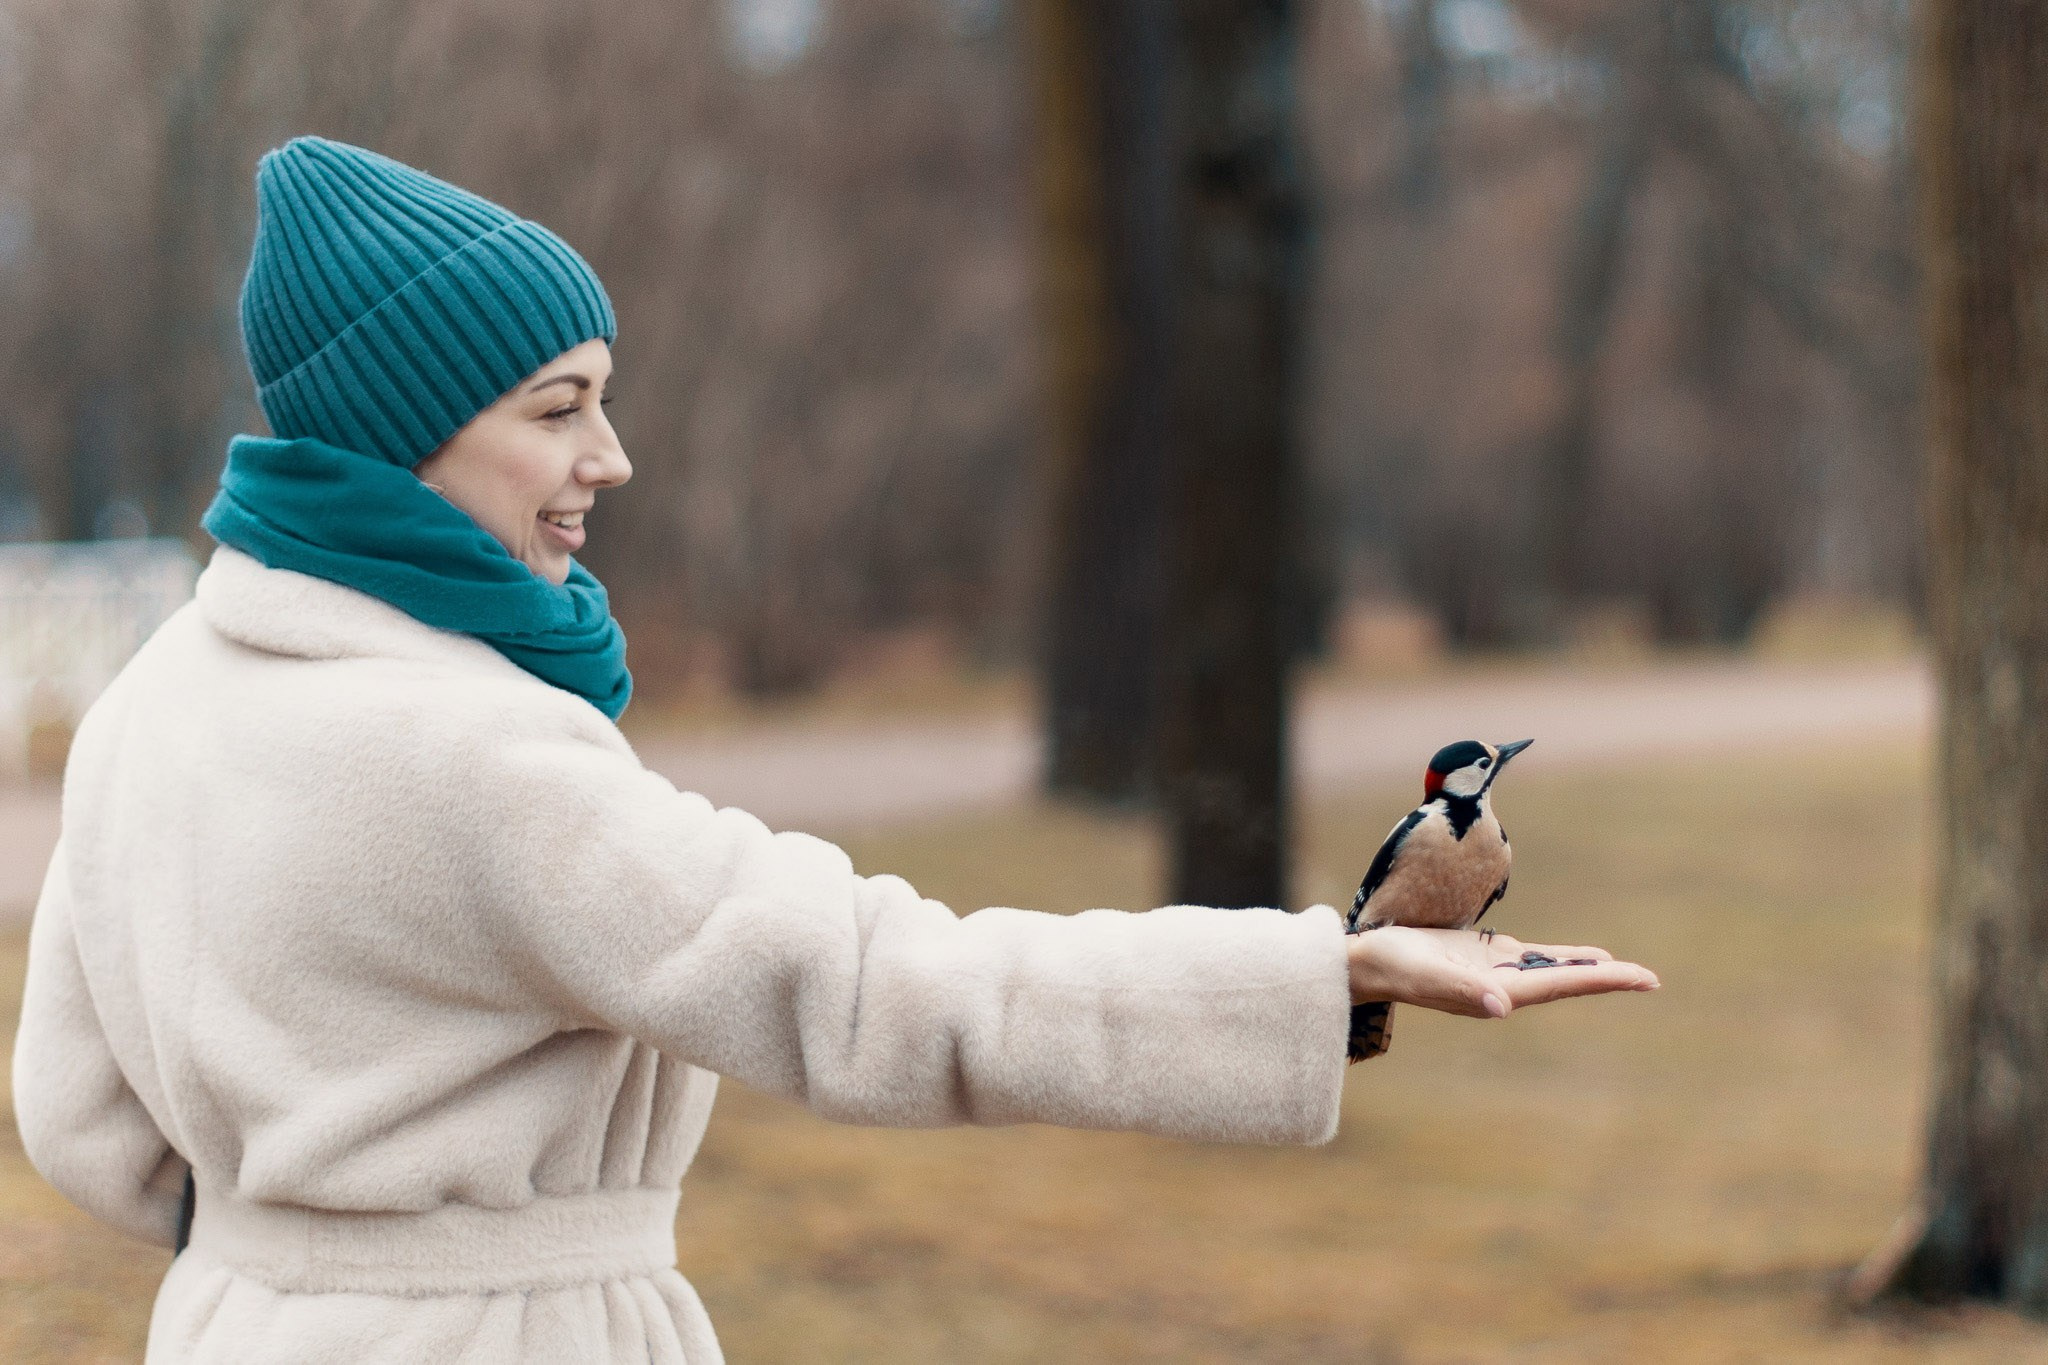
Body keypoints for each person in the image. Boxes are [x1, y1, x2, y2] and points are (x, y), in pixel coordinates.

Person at [10, 136, 1657, 1364]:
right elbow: (885, 987)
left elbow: (75, 1115)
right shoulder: (477, 757)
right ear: (401, 428)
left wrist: (299, 1262)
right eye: (558, 406)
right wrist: (1327, 978)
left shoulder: (153, 702)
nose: (613, 455)